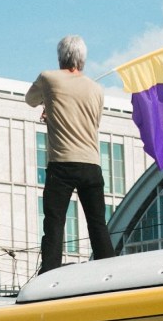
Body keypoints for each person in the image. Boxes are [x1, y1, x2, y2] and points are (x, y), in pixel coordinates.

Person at [26, 35, 115, 274]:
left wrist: (50, 106)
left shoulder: (48, 78)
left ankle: (49, 276)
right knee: (97, 224)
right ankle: (110, 272)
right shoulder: (97, 88)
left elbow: (30, 99)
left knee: (54, 224)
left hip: (62, 164)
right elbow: (93, 123)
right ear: (83, 59)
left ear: (60, 57)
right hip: (91, 164)